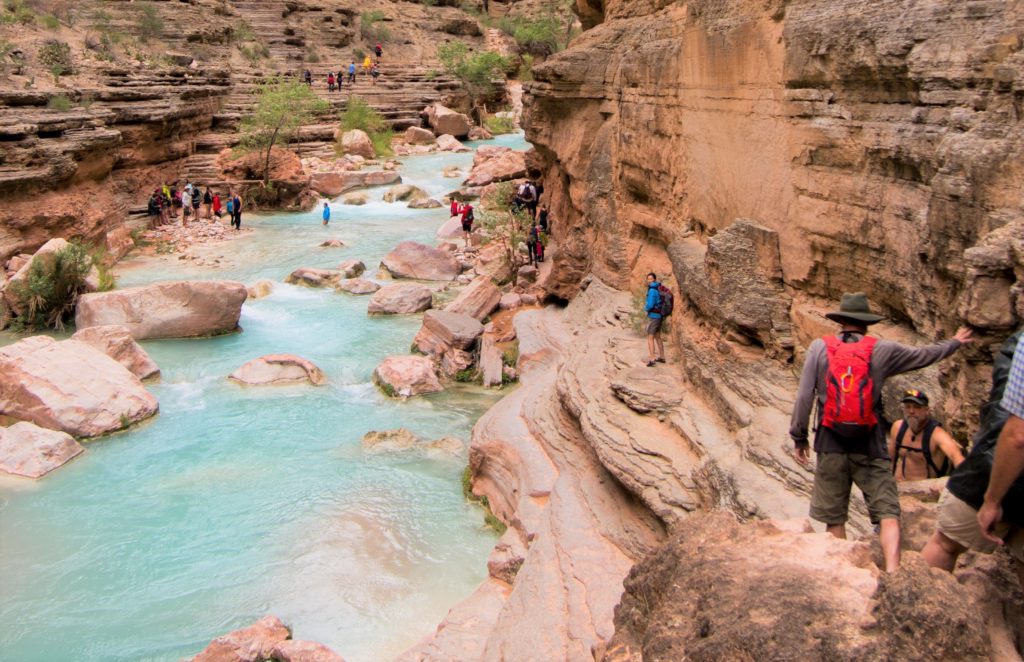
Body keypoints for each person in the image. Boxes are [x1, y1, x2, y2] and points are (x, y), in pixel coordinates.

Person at [790, 293, 973, 572]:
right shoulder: (882, 350)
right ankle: (893, 571)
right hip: (870, 442)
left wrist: (799, 437)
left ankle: (844, 571)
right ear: (865, 324)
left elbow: (804, 396)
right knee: (888, 513)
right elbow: (924, 355)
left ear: (840, 321)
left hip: (830, 442)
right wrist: (955, 343)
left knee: (835, 516)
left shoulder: (819, 348)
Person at [922, 331, 1024, 586]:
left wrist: (992, 500)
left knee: (945, 545)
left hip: (997, 465)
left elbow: (1018, 436)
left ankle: (907, 609)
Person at [888, 388, 965, 481]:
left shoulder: (937, 434)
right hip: (899, 486)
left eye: (917, 407)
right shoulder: (898, 428)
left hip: (925, 490)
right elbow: (889, 461)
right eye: (908, 407)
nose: (911, 411)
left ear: (926, 410)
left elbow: (956, 456)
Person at [644, 272, 666, 367]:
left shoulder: (652, 290)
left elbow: (650, 304)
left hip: (654, 316)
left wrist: (646, 309)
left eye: (651, 279)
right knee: (657, 336)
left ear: (654, 279)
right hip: (659, 315)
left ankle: (652, 358)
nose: (649, 280)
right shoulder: (657, 287)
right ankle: (662, 357)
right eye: (648, 279)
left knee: (650, 337)